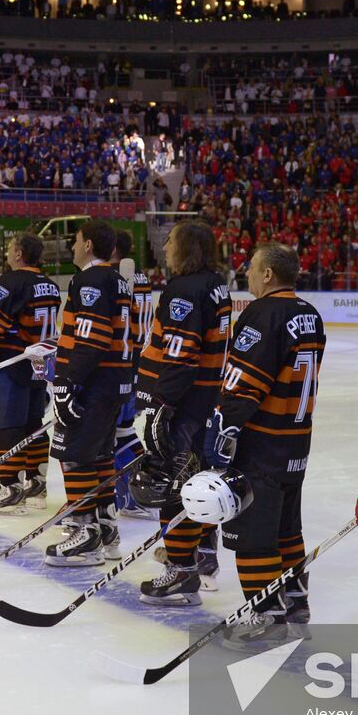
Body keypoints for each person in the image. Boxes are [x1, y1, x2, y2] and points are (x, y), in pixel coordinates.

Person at [203, 244, 326, 649]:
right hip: (295, 439)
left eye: (252, 268)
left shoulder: (262, 313)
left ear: (269, 274)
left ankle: (266, 615)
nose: (248, 274)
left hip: (262, 442)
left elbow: (244, 382)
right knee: (287, 527)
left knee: (253, 530)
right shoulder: (310, 315)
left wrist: (222, 434)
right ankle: (295, 603)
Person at [136, 220, 233, 603]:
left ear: (187, 247)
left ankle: (180, 569)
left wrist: (162, 405)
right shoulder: (216, 285)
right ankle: (201, 558)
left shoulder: (184, 290)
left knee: (173, 486)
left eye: (171, 241)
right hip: (210, 402)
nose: (165, 247)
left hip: (185, 407)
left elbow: (180, 355)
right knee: (198, 481)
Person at [42, 220, 133, 566]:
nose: (72, 246)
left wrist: (67, 382)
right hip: (113, 382)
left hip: (93, 384)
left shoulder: (90, 280)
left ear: (90, 245)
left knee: (75, 455)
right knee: (99, 456)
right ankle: (106, 528)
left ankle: (86, 535)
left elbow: (93, 339)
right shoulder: (117, 282)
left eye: (77, 240)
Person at [0, 232, 61, 513]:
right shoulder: (51, 285)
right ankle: (36, 481)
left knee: (9, 425)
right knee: (32, 423)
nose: (8, 252)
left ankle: (10, 487)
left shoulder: (10, 282)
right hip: (39, 366)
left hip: (12, 365)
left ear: (20, 254)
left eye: (10, 248)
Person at [113, 229, 154, 520]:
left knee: (117, 432)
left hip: (123, 364)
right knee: (123, 430)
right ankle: (139, 493)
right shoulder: (141, 277)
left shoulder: (116, 277)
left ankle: (136, 495)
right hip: (139, 361)